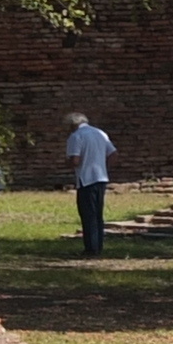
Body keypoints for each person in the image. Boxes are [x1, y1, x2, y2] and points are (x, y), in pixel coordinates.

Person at [63, 111, 115, 259]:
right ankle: (98, 245)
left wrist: (66, 162)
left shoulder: (76, 136)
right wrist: (103, 166)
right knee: (98, 214)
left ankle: (91, 248)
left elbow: (75, 160)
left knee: (88, 214)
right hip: (101, 177)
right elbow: (113, 154)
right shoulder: (100, 133)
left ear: (72, 125)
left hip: (86, 179)